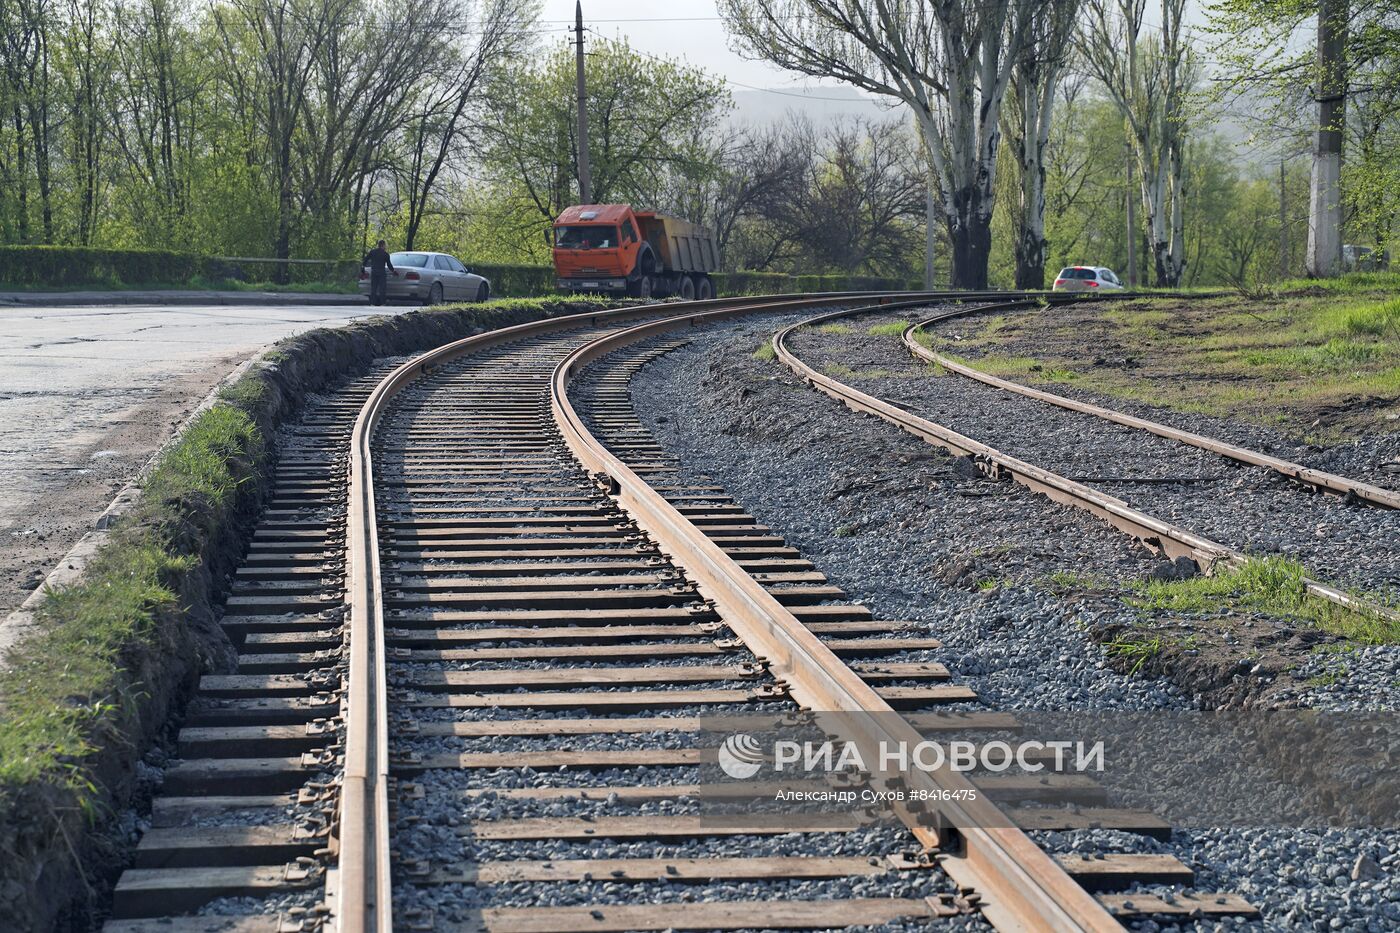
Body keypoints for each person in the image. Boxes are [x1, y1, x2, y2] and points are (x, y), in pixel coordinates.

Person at [363, 240, 395, 305]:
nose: (386, 246)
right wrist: (393, 271)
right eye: (385, 245)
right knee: (382, 288)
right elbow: (389, 265)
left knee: (373, 288)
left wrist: (363, 266)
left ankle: (372, 303)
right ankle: (383, 303)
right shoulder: (385, 254)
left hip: (374, 271)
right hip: (381, 272)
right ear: (383, 245)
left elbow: (366, 259)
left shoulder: (372, 252)